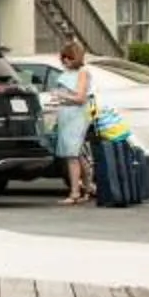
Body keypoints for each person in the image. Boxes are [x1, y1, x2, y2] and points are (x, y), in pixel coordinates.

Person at [46, 38, 96, 206]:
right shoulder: (65, 73)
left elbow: (81, 98)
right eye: (63, 57)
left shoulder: (82, 72)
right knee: (77, 153)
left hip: (77, 114)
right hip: (66, 113)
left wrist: (61, 95)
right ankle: (88, 188)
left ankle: (75, 192)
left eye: (68, 57)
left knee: (72, 155)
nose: (65, 60)